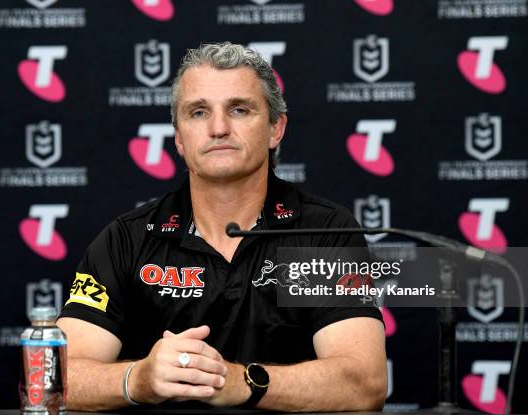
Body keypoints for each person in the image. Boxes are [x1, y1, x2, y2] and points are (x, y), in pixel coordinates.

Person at [57, 42, 387, 411]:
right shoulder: (128, 238)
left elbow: (365, 383)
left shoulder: (324, 231)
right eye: (198, 113)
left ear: (276, 128)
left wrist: (243, 382)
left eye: (239, 109)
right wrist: (138, 379)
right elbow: (56, 378)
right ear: (179, 138)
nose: (218, 128)